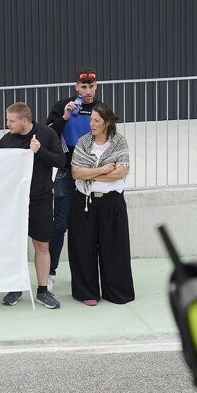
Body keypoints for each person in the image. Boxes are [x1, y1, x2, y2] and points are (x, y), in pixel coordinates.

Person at [0, 102, 65, 309]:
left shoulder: (47, 134)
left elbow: (61, 161)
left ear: (25, 121)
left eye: (11, 121)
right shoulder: (6, 141)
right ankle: (15, 287)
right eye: (7, 120)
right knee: (15, 245)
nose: (7, 124)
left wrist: (40, 150)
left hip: (41, 198)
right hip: (15, 200)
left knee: (42, 245)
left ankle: (43, 291)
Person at [66, 106, 134, 306]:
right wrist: (103, 169)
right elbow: (76, 173)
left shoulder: (119, 141)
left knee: (115, 249)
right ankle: (87, 292)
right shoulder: (83, 142)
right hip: (85, 201)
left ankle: (116, 292)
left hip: (112, 202)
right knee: (83, 248)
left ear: (107, 123)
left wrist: (90, 172)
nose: (92, 124)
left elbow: (121, 173)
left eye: (96, 120)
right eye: (91, 120)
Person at [46, 70, 100, 276]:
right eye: (83, 87)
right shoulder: (63, 106)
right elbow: (47, 133)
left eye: (91, 86)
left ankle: (85, 275)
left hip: (91, 175)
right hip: (66, 174)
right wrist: (64, 117)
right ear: (76, 87)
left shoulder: (101, 109)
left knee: (87, 228)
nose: (87, 91)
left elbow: (109, 139)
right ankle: (49, 273)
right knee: (59, 225)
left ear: (96, 86)